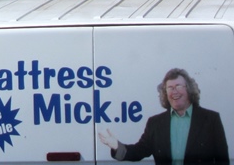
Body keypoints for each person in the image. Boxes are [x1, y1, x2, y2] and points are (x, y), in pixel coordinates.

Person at [98, 68, 228, 164]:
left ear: (189, 89)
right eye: (169, 88)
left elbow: (223, 160)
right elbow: (138, 152)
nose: (174, 91)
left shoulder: (211, 119)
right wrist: (116, 145)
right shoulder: (155, 123)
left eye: (178, 86)